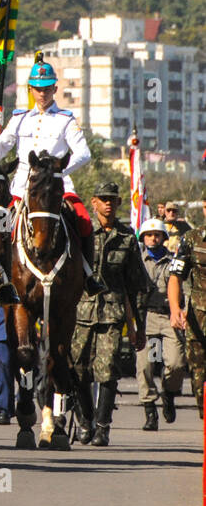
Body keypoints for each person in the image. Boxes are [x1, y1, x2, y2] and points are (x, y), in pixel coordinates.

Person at [0, 51, 97, 292]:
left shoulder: (66, 119)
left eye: (48, 88)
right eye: (38, 88)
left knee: (83, 221)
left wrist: (58, 173)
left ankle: (88, 274)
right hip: (21, 188)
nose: (43, 94)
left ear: (55, 89)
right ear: (30, 89)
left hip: (55, 187)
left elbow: (83, 153)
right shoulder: (19, 118)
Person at [72, 183, 150, 446]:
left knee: (107, 369)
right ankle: (85, 421)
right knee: (78, 368)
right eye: (103, 199)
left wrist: (139, 327)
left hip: (112, 314)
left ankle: (103, 427)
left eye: (113, 200)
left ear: (118, 204)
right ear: (93, 203)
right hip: (81, 311)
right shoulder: (81, 234)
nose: (108, 204)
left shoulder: (127, 237)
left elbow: (137, 286)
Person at [137, 217, 187, 430]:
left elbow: (185, 285)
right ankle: (150, 411)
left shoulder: (174, 260)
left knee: (176, 363)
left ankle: (168, 394)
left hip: (169, 316)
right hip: (145, 317)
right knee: (144, 366)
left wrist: (183, 311)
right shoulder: (137, 260)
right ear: (142, 238)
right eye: (149, 235)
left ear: (164, 238)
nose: (153, 238)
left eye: (157, 234)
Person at [169, 193, 206, 418]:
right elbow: (175, 276)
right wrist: (175, 309)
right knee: (199, 381)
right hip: (198, 322)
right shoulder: (192, 238)